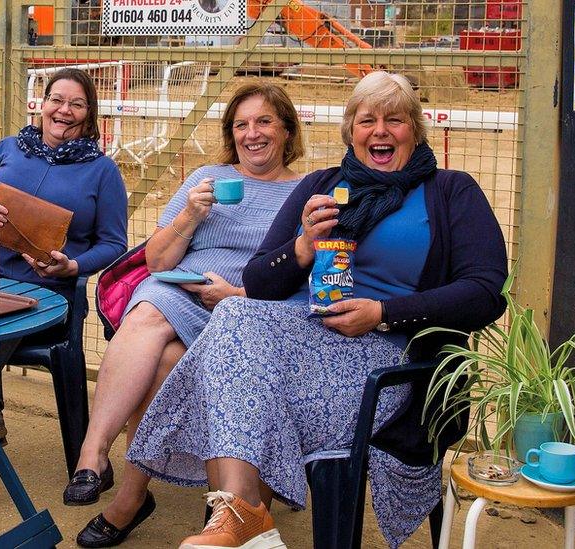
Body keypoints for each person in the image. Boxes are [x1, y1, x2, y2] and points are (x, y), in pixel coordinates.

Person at [125, 71, 509, 549]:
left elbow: (486, 292)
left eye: (395, 120)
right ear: (350, 132)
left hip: (392, 361)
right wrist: (304, 245)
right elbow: (261, 282)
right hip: (307, 339)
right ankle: (241, 516)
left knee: (232, 361)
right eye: (367, 120)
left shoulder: (451, 191)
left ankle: (237, 521)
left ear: (417, 128)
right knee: (234, 318)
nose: (381, 131)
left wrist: (383, 311)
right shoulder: (322, 186)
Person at [64, 83, 306, 548]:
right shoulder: (206, 177)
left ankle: (138, 501)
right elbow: (156, 262)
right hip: (180, 293)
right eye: (241, 125)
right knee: (150, 307)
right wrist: (189, 217)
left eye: (263, 122)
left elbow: (301, 275)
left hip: (247, 310)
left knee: (164, 363)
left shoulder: (302, 192)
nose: (251, 134)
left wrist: (237, 294)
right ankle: (93, 455)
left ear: (287, 130)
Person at [0, 67, 128, 521]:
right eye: (56, 100)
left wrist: (74, 265)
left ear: (89, 116)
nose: (63, 110)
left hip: (51, 292)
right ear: (40, 104)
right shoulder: (8, 149)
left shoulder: (103, 171)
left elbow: (114, 243)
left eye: (76, 104)